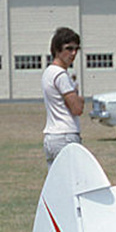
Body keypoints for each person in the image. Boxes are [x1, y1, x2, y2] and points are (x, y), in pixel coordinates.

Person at [42, 26, 83, 167]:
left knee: (57, 185)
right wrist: (79, 98)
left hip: (51, 137)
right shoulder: (61, 75)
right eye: (69, 48)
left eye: (76, 49)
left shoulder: (48, 72)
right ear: (57, 50)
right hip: (66, 135)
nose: (73, 53)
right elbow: (77, 108)